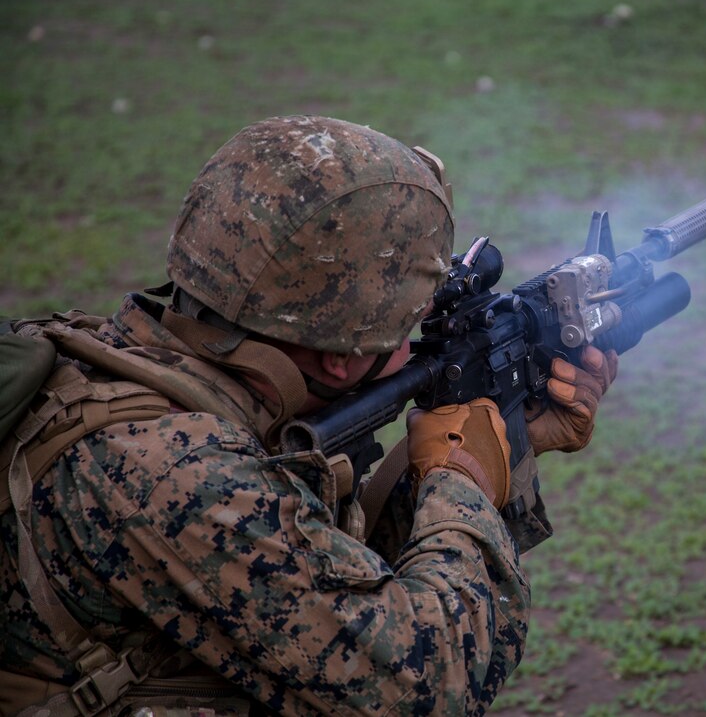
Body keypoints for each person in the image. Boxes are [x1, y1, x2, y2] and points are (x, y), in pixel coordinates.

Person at [0, 115, 617, 715]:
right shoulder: (178, 474)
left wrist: (508, 438)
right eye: (411, 322)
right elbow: (425, 684)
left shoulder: (144, 370)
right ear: (342, 358)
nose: (419, 339)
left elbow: (323, 576)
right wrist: (465, 483)